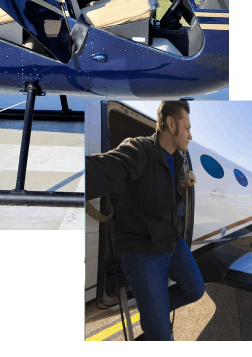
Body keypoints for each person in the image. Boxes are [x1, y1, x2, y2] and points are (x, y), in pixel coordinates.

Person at [85, 100, 204, 341]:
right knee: (162, 337)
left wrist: (182, 183)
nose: (190, 135)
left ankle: (152, 315)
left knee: (195, 290)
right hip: (143, 250)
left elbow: (161, 187)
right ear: (171, 124)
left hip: (172, 241)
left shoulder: (177, 159)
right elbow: (100, 169)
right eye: (188, 128)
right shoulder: (139, 150)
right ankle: (155, 322)